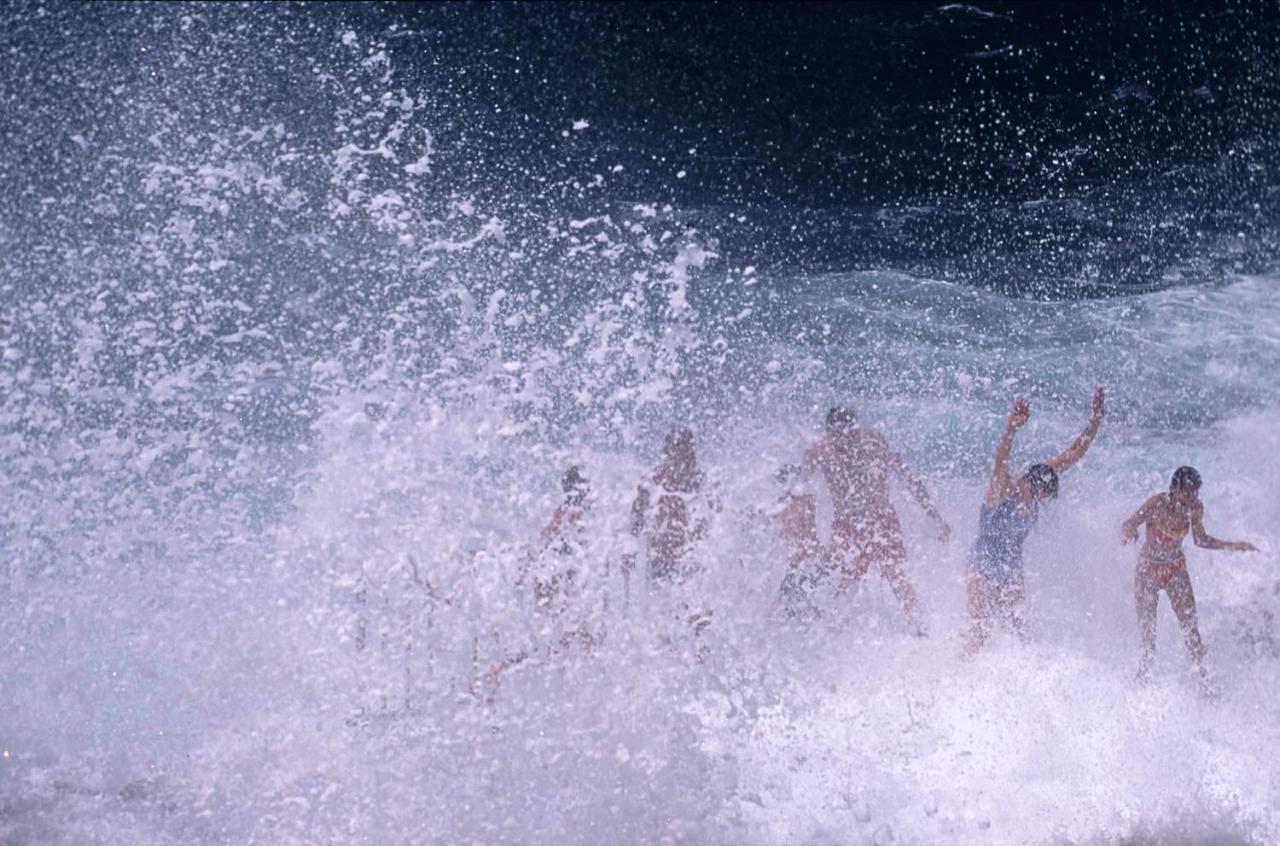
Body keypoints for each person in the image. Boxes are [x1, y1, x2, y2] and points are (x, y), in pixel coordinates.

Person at [965, 388, 1104, 654]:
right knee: (978, 635)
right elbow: (1000, 459)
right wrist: (1011, 428)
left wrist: (1095, 420)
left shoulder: (1041, 478)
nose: (1038, 502)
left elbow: (1072, 454)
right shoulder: (1002, 490)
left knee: (1019, 634)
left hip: (1011, 568)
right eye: (1039, 496)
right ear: (1031, 485)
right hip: (981, 567)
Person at [805, 406, 950, 635]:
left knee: (897, 576)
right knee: (847, 578)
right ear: (830, 434)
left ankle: (921, 631)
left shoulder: (873, 443)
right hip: (846, 525)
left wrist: (935, 517)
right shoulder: (821, 450)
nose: (845, 443)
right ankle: (830, 632)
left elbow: (908, 478)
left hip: (881, 521)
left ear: (855, 430)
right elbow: (797, 484)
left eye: (850, 435)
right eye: (838, 438)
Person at [1121, 466, 1257, 684]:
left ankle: (1203, 678)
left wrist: (1233, 545)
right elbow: (1129, 523)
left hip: (1175, 570)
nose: (1191, 496)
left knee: (1191, 630)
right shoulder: (1157, 503)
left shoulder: (1195, 509)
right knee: (1148, 635)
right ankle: (1142, 679)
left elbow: (1200, 540)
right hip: (1148, 570)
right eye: (1187, 491)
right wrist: (1129, 531)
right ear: (1174, 489)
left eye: (1195, 492)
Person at [628, 427, 716, 636]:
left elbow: (719, 522)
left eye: (689, 450)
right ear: (668, 452)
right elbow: (634, 525)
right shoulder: (652, 484)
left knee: (700, 625)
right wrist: (629, 552)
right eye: (679, 450)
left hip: (696, 564)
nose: (687, 455)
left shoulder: (702, 483)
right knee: (665, 630)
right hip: (661, 563)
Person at [771, 463, 831, 623]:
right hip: (815, 562)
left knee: (783, 614)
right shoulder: (807, 501)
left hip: (802, 565)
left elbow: (792, 537)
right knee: (811, 613)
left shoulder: (780, 509)